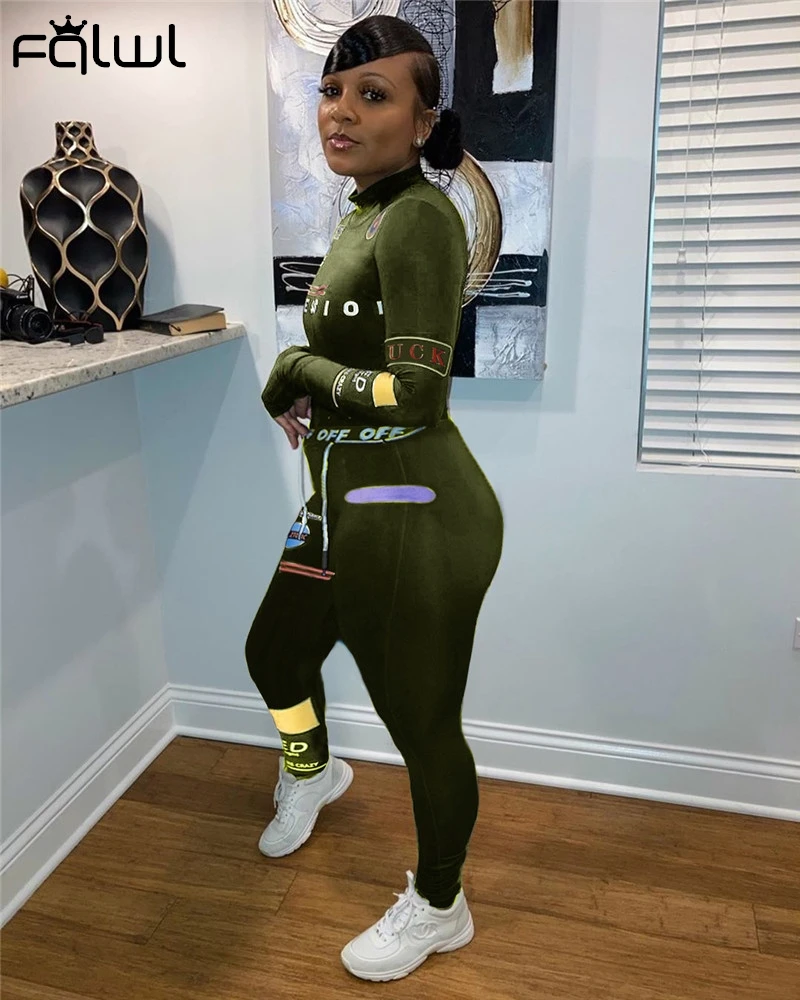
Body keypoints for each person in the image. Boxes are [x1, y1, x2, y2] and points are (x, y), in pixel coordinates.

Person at [245, 14, 504, 982]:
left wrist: (298, 367)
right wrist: (310, 382)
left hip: (410, 510)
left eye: (372, 94)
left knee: (422, 724)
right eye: (331, 92)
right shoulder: (363, 211)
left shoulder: (420, 216)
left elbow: (417, 392)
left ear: (423, 120)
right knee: (275, 654)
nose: (340, 113)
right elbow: (362, 371)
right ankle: (312, 769)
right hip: (341, 499)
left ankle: (440, 903)